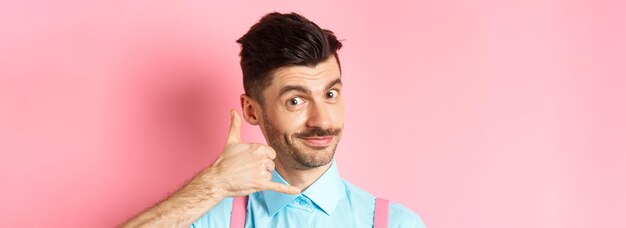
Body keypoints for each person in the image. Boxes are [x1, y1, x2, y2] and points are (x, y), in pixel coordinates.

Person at [122, 12, 426, 228]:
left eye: (330, 95)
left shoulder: (395, 223)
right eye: (295, 101)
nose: (322, 119)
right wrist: (213, 184)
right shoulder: (213, 218)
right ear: (252, 111)